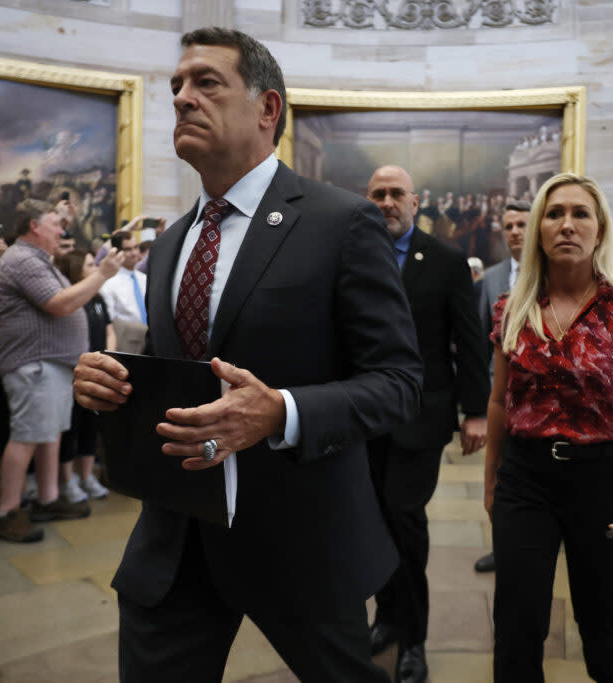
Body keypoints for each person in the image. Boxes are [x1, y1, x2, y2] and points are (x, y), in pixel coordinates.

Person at [72, 27, 421, 683]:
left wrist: (280, 411)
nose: (181, 98)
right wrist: (112, 381)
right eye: (176, 85)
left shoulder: (340, 222)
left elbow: (398, 382)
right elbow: (182, 371)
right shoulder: (173, 243)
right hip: (175, 540)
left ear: (268, 109)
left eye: (206, 83)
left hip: (300, 536)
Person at [486, 173, 613, 682]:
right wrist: (491, 485)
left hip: (603, 478)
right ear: (540, 230)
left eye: (580, 214)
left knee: (602, 614)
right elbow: (500, 403)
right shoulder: (513, 310)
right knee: (518, 619)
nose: (566, 224)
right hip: (525, 480)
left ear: (600, 229)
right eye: (554, 213)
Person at [363, 165, 489, 683]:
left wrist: (475, 410)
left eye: (396, 194)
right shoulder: (351, 256)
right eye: (378, 194)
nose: (388, 202)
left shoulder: (446, 261)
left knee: (404, 519)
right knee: (373, 523)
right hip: (361, 418)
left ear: (416, 203)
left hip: (421, 417)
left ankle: (413, 638)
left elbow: (470, 340)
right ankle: (387, 617)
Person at [0, 199, 124, 543]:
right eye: (54, 223)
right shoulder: (22, 259)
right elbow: (61, 304)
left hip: (50, 363)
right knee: (27, 436)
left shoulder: (37, 260)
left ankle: (48, 499)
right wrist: (103, 274)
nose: (61, 230)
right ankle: (7, 511)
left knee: (48, 434)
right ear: (34, 226)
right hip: (34, 363)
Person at [473, 199, 530, 575]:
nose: (514, 232)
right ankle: (503, 545)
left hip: (542, 398)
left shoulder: (556, 274)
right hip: (500, 394)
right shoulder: (492, 279)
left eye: (521, 224)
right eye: (508, 226)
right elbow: (479, 339)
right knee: (500, 473)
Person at [56, 249, 113, 501]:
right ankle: (68, 480)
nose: (96, 267)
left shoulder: (98, 298)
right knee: (71, 425)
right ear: (77, 269)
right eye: (90, 264)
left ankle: (87, 475)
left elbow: (109, 327)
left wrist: (109, 354)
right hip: (75, 370)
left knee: (92, 424)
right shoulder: (71, 299)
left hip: (100, 367)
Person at [98, 232, 147, 324]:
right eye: (127, 249)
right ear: (116, 252)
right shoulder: (109, 283)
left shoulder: (145, 279)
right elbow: (110, 319)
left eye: (136, 247)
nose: (134, 253)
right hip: (126, 336)